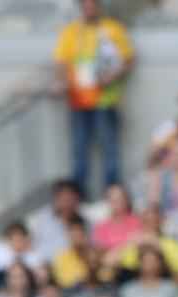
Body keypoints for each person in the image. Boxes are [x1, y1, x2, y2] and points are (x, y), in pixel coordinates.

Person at [53, 0, 134, 196]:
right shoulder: (71, 31)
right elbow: (61, 62)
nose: (89, 9)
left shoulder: (112, 29)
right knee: (79, 148)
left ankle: (112, 192)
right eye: (86, 5)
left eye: (93, 5)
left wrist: (111, 76)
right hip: (79, 100)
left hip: (105, 99)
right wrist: (63, 82)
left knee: (109, 147)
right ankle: (80, 194)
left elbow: (128, 60)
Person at [30, 179, 83, 262]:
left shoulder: (85, 222)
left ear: (77, 199)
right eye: (63, 199)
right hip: (46, 265)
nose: (66, 204)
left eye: (70, 199)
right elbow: (32, 247)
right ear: (55, 199)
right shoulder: (42, 220)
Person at [93, 184, 142, 252]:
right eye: (113, 199)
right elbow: (100, 251)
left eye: (120, 199)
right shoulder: (101, 227)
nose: (117, 203)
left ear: (127, 200)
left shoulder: (137, 222)